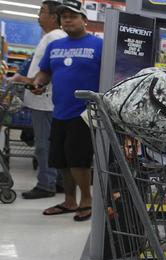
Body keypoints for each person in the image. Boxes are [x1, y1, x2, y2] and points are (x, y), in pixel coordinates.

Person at [31, 0, 102, 221]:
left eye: (73, 16)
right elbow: (45, 72)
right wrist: (38, 83)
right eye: (64, 17)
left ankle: (86, 200)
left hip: (84, 113)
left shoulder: (99, 45)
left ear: (84, 20)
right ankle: (70, 200)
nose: (68, 20)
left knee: (79, 160)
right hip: (59, 111)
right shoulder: (55, 46)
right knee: (61, 160)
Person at [9, 0, 67, 199]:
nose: (38, 15)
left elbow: (47, 71)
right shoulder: (51, 37)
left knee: (44, 144)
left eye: (42, 11)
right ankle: (57, 182)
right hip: (44, 99)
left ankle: (46, 184)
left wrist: (20, 79)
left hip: (44, 100)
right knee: (51, 142)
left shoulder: (54, 37)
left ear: (53, 17)